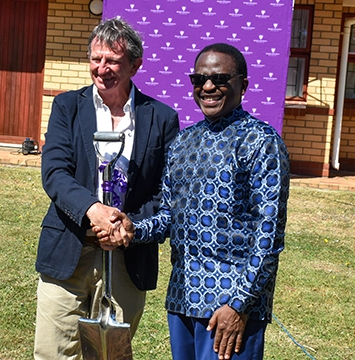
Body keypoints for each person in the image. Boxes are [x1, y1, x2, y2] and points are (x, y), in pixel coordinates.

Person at [95, 43, 290, 360]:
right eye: (199, 80)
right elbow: (169, 216)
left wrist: (240, 304)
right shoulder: (184, 142)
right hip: (183, 300)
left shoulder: (262, 142)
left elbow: (268, 237)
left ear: (244, 84)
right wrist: (134, 230)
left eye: (220, 78)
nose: (208, 87)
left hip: (232, 312)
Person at [33, 18, 180, 359]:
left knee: (109, 354)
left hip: (127, 255)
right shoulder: (67, 107)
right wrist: (93, 210)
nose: (102, 69)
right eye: (96, 59)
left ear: (135, 65)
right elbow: (55, 172)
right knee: (53, 353)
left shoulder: (161, 118)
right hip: (69, 248)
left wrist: (131, 226)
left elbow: (165, 191)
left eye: (112, 60)